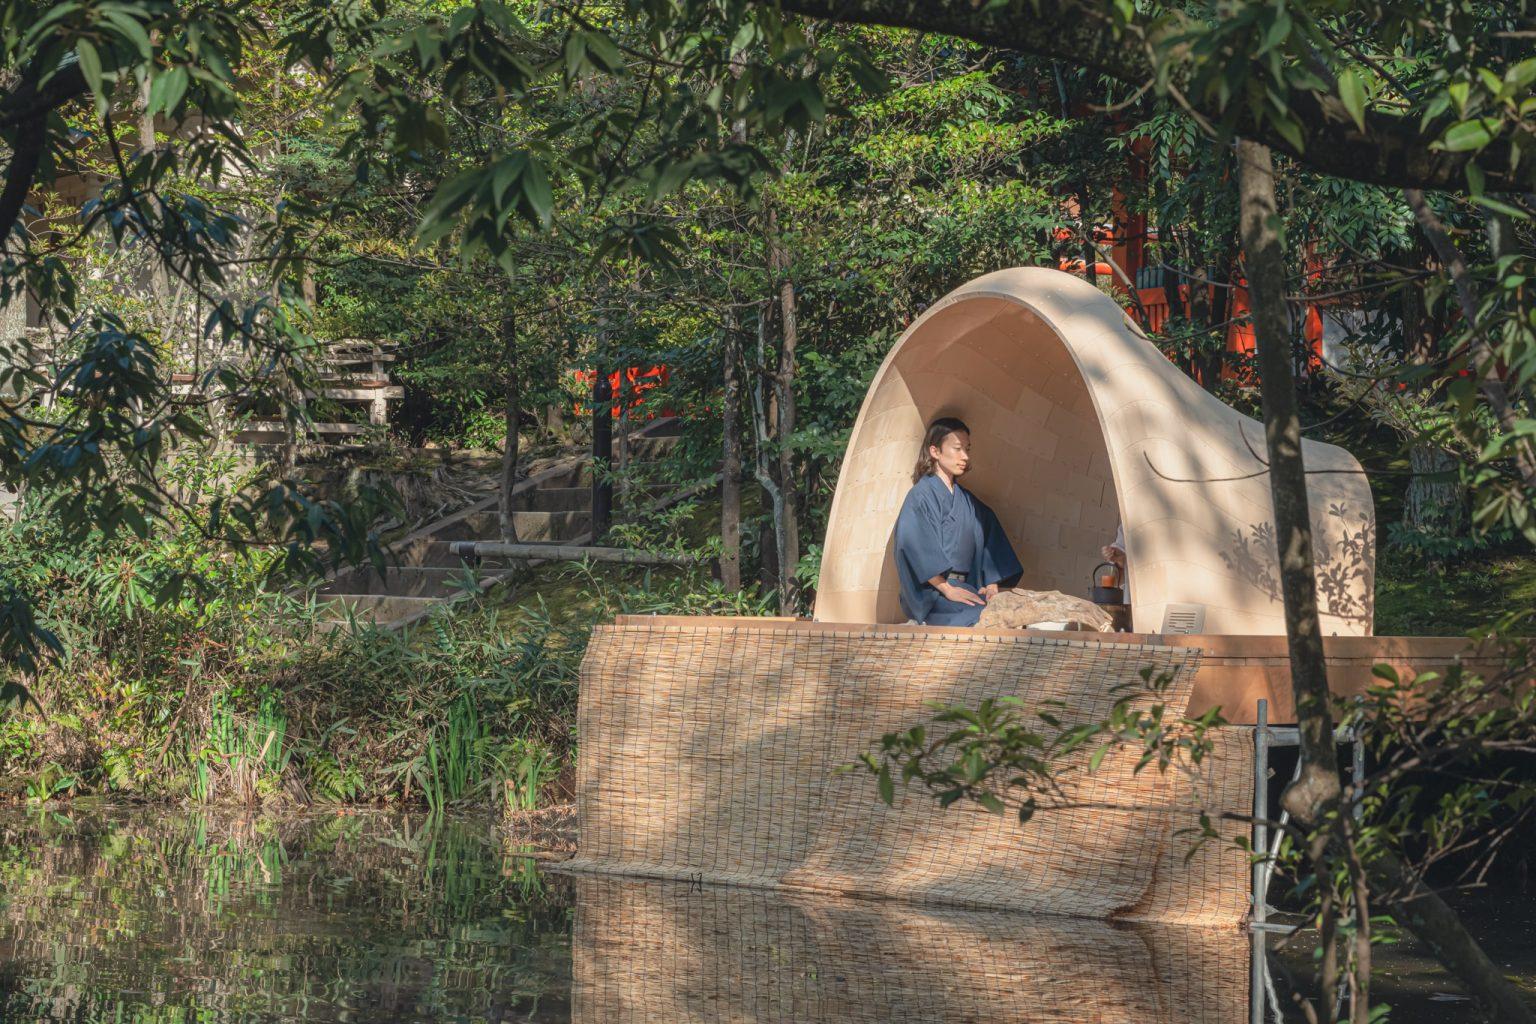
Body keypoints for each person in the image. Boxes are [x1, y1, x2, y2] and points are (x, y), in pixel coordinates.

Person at [894, 417, 1023, 626]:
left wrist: (991, 584)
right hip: (931, 595)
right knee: (981, 619)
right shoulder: (920, 497)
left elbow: (990, 535)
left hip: (965, 590)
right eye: (957, 449)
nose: (965, 456)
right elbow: (916, 547)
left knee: (1011, 616)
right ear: (935, 451)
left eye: (967, 449)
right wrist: (947, 589)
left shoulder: (968, 501)